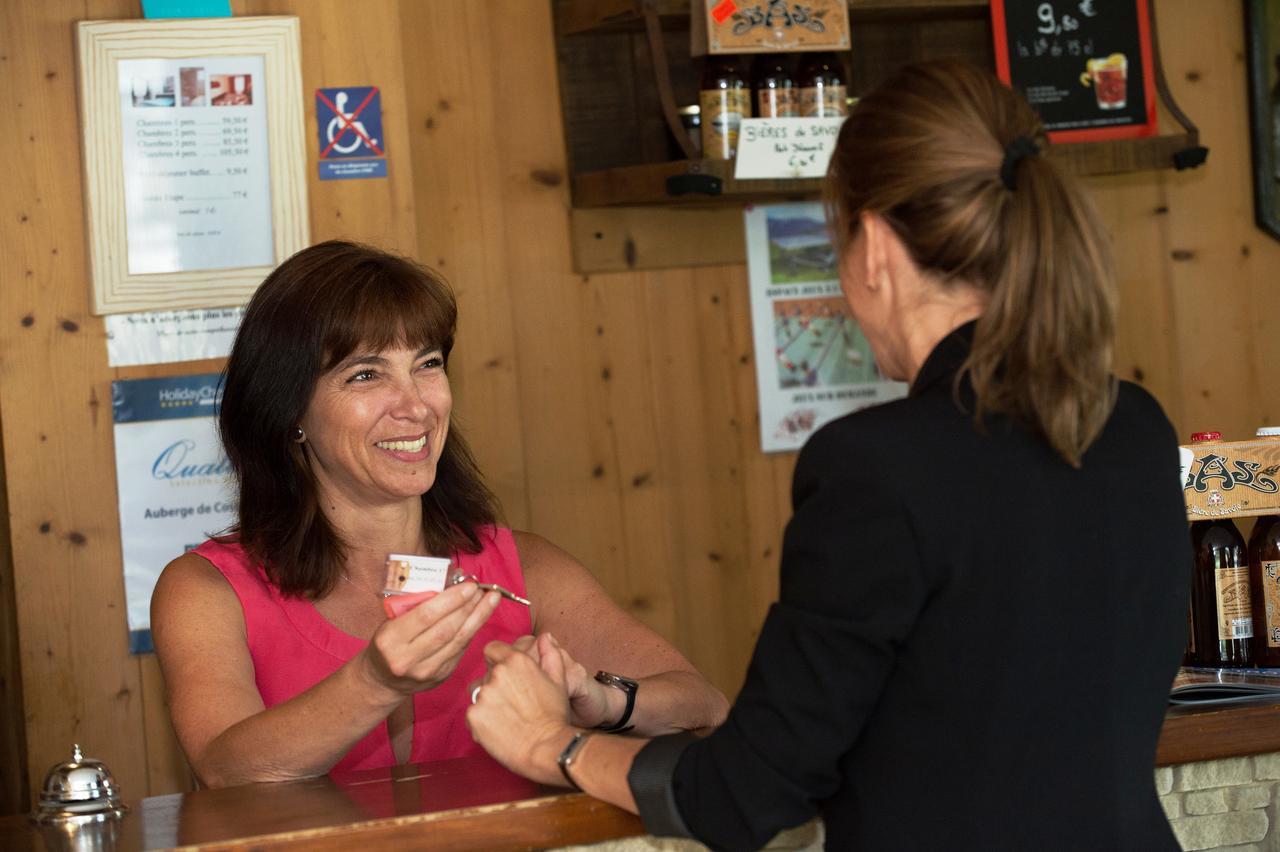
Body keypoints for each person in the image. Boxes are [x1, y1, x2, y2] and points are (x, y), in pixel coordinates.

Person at [466, 60, 1189, 849]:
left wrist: (551, 744)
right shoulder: (1134, 425)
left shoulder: (881, 466)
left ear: (874, 245)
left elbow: (748, 793)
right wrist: (617, 707)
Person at [150, 241, 728, 788]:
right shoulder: (206, 590)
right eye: (367, 374)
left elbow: (702, 705)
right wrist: (375, 681)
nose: (417, 405)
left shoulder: (521, 563)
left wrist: (602, 701)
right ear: (288, 410)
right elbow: (224, 771)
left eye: (427, 364)